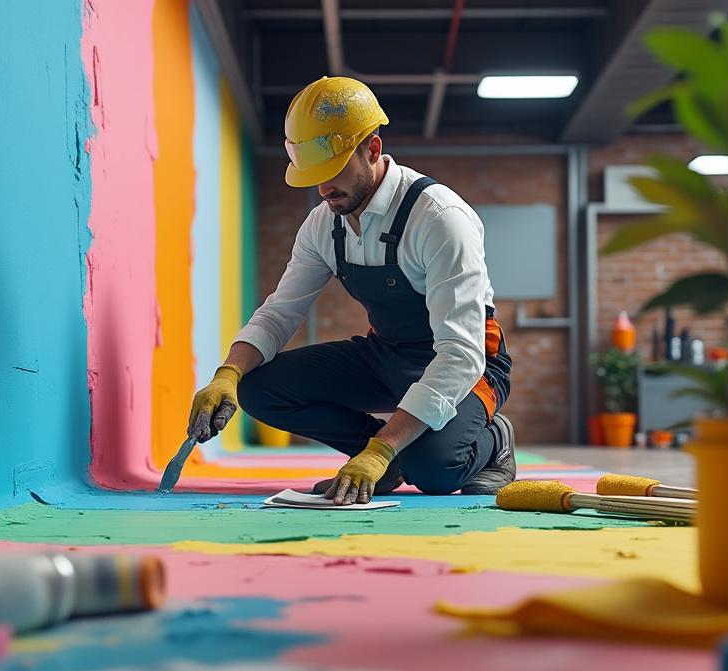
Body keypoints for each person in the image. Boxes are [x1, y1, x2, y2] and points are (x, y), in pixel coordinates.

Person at [187, 76, 514, 506]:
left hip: (469, 365)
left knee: (434, 471)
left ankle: (496, 442)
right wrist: (227, 374)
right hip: (388, 356)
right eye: (313, 176)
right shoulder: (324, 225)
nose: (323, 189)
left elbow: (460, 352)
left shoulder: (439, 219)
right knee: (258, 388)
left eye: (334, 171)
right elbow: (280, 311)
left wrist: (382, 446)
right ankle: (386, 462)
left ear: (372, 149)